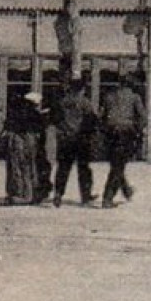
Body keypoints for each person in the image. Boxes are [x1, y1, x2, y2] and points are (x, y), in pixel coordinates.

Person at [51, 77, 97, 207]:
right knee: (83, 168)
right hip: (80, 139)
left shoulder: (62, 102)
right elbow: (91, 120)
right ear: (82, 89)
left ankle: (58, 194)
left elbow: (55, 118)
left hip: (65, 139)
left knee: (63, 168)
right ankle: (85, 195)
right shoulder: (85, 102)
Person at [101, 73, 145, 208]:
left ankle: (126, 190)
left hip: (111, 132)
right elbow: (143, 117)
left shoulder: (108, 96)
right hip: (126, 132)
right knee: (118, 165)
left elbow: (102, 115)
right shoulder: (134, 97)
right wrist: (138, 130)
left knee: (116, 163)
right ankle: (107, 198)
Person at [1, 91, 51, 205]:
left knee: (14, 169)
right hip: (27, 144)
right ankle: (26, 195)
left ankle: (15, 193)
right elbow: (40, 127)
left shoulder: (15, 112)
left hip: (14, 143)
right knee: (28, 168)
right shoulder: (33, 114)